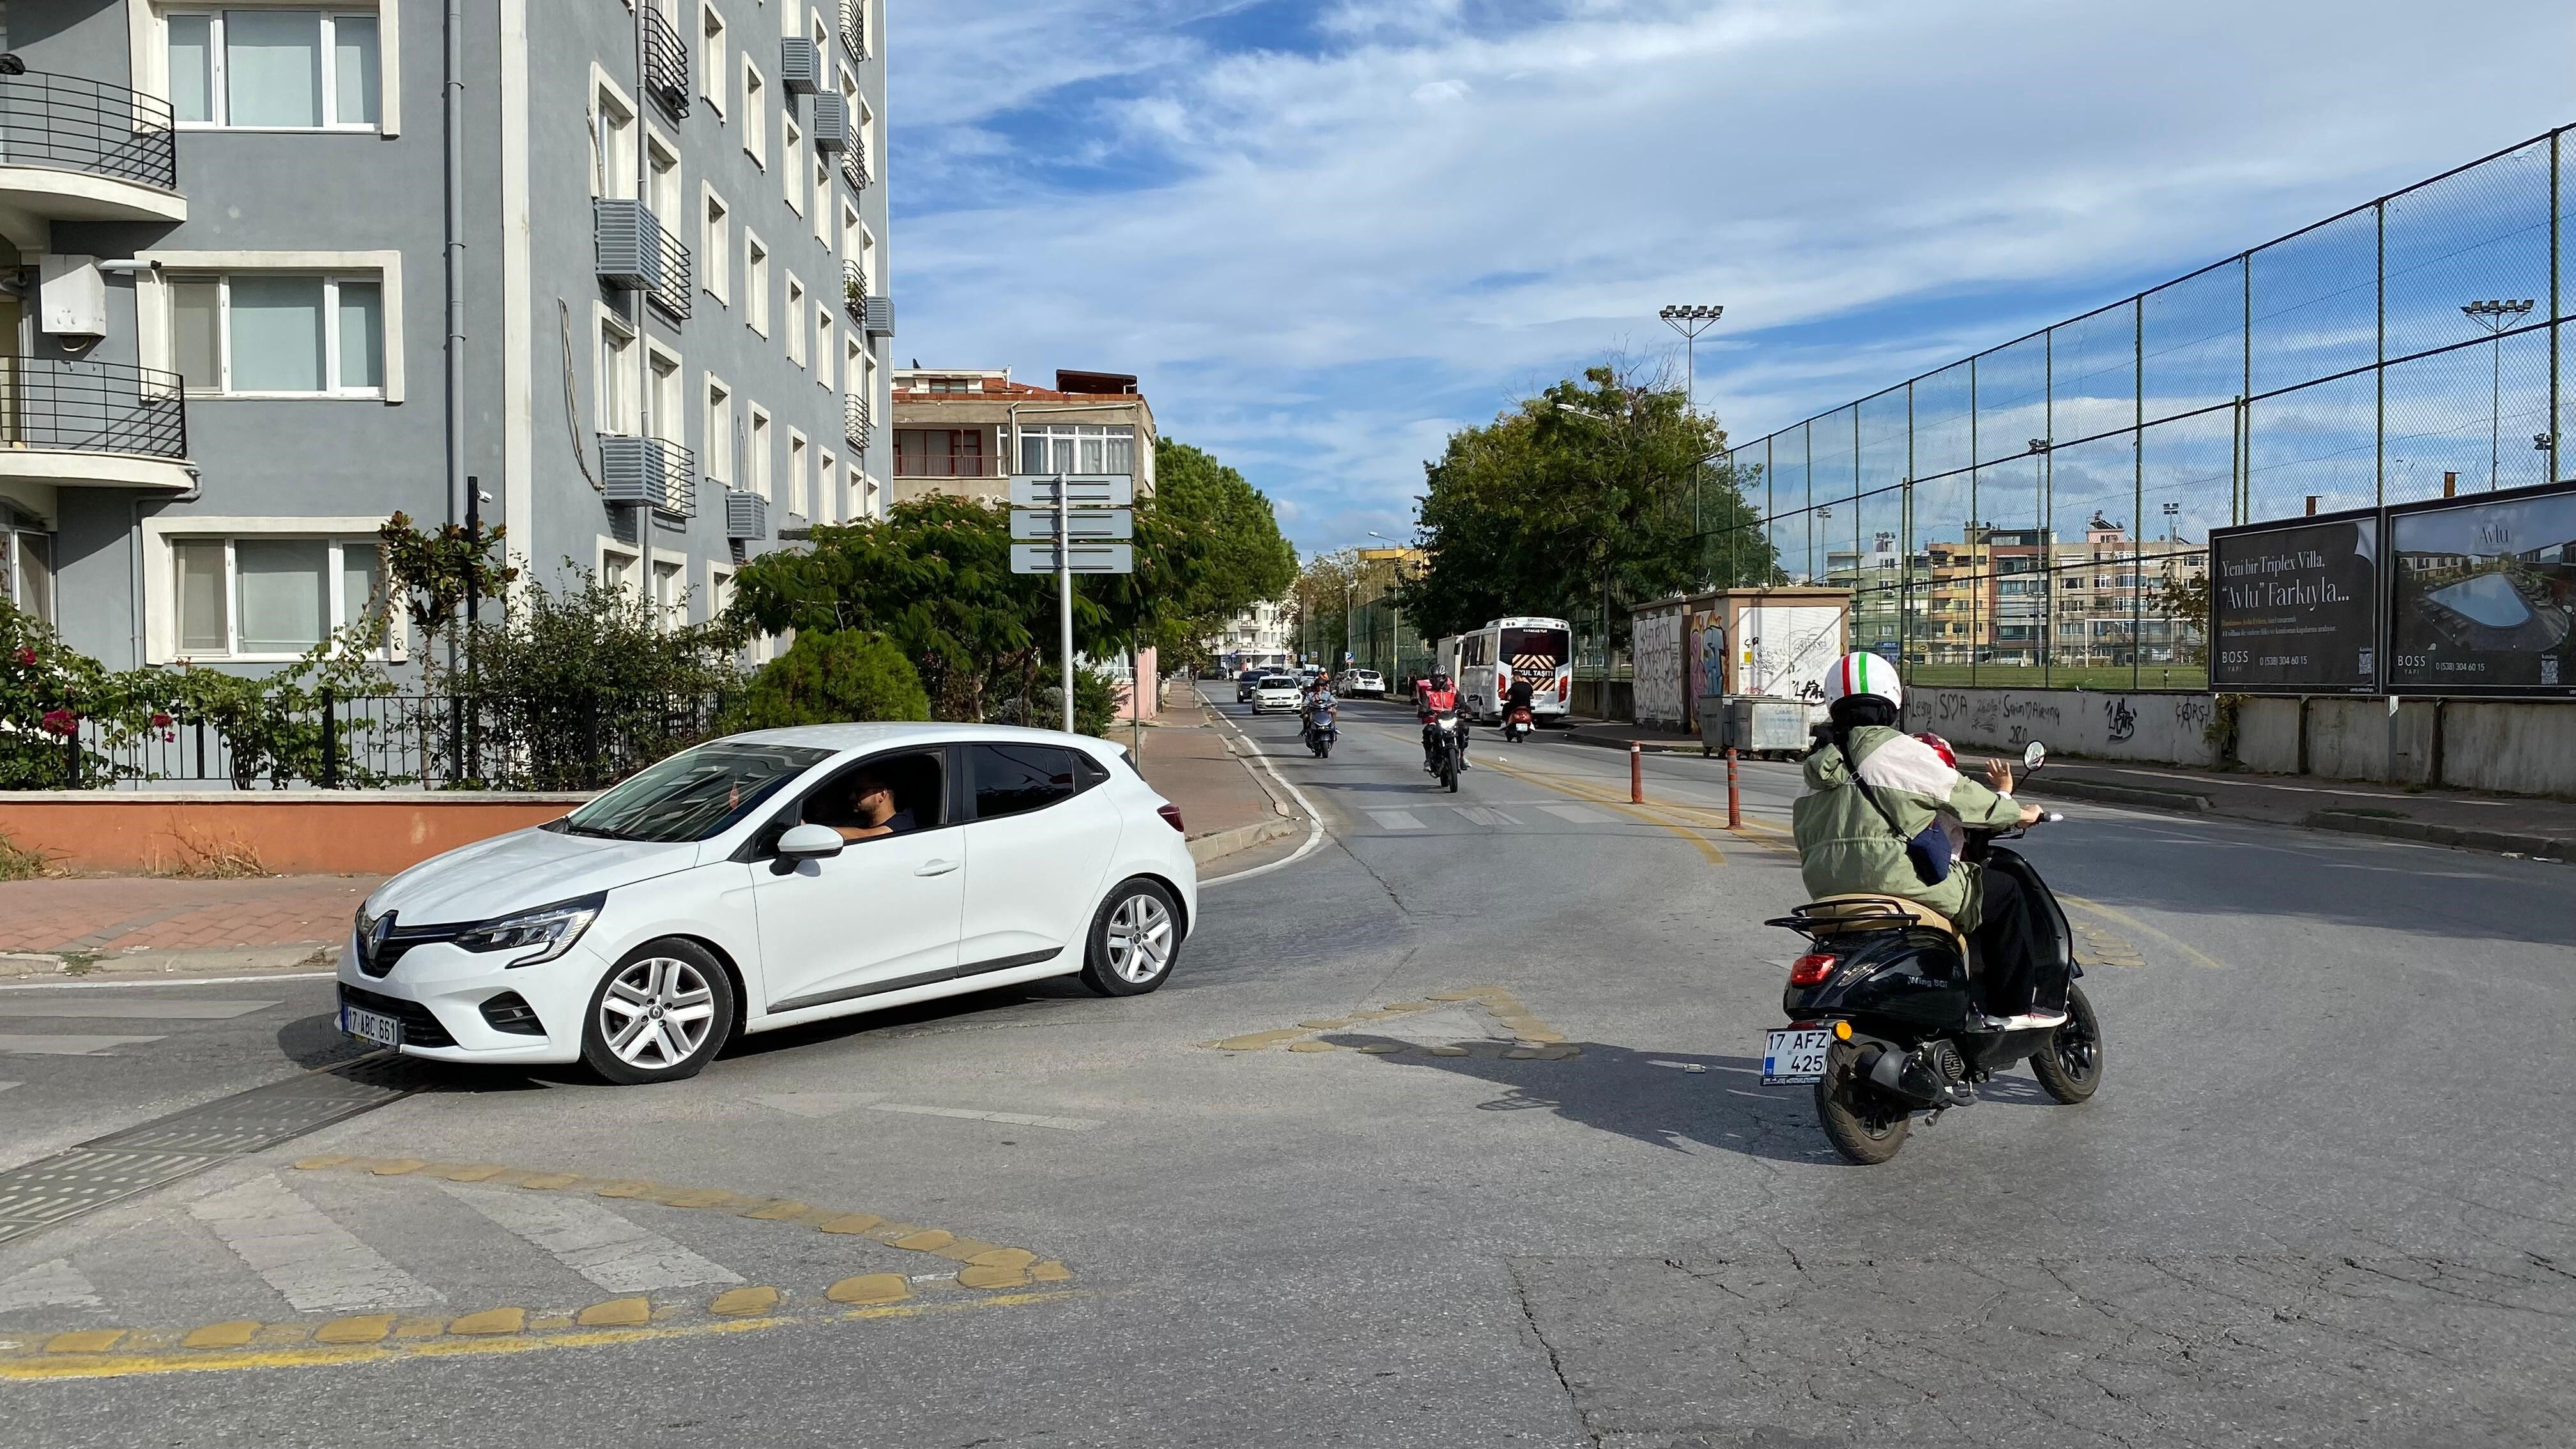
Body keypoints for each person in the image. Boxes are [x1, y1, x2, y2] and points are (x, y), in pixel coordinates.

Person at [1789, 654, 2061, 1029]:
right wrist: (2019, 812)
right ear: (1891, 701)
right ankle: (2010, 1008)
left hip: (1825, 889)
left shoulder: (1815, 770)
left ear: (1834, 703)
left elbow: (1803, 837)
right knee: (2006, 892)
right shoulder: (1898, 751)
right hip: (1892, 880)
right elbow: (1966, 798)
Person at [828, 769, 915, 842]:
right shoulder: (862, 824)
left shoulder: (903, 824)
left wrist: (827, 832)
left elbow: (866, 835)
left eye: (860, 791)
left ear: (882, 795)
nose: (852, 797)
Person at [1416, 671, 1469, 771]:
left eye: (1439, 677)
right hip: (1435, 720)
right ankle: (1428, 759)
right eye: (1434, 678)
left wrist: (1465, 708)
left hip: (1452, 719)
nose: (1437, 680)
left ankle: (1463, 756)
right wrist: (1424, 712)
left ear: (1444, 677)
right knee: (1428, 731)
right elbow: (1424, 706)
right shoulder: (1428, 693)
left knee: (1465, 728)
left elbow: (1462, 703)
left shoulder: (1453, 691)